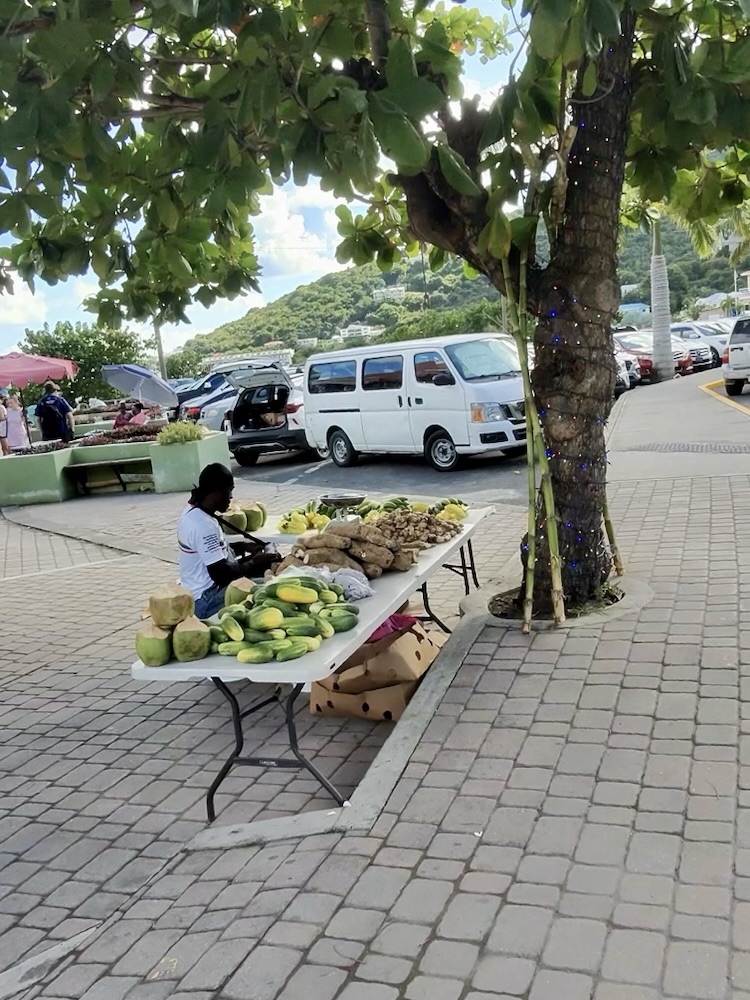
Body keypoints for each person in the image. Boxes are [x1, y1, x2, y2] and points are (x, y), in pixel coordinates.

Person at [177, 463, 281, 618]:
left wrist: (243, 547)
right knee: (271, 588)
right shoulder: (203, 525)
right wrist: (255, 563)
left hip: (198, 593)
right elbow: (222, 575)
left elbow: (209, 550)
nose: (231, 498)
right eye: (229, 491)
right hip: (206, 600)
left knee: (265, 576)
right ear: (216, 493)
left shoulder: (192, 512)